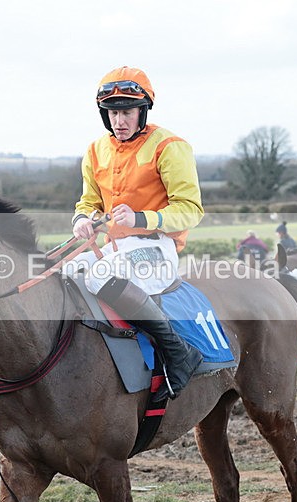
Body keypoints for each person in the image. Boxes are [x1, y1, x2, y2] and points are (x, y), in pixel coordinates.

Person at [67, 66, 204, 402]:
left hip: (158, 246)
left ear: (143, 111)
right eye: (113, 113)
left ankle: (178, 352)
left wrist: (141, 218)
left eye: (127, 112)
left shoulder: (170, 146)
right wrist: (82, 218)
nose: (119, 121)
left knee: (99, 276)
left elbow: (191, 210)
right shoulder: (95, 150)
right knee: (66, 272)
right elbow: (88, 201)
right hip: (115, 248)